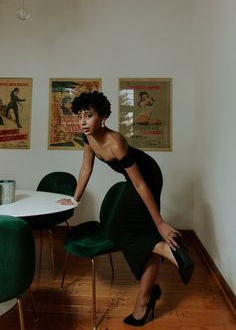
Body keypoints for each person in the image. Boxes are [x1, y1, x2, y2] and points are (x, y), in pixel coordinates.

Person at [58, 91, 194, 326]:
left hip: (147, 178)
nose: (82, 122)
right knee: (142, 235)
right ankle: (145, 299)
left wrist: (160, 222)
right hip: (136, 181)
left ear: (103, 117)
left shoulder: (115, 141)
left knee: (119, 227)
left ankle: (167, 250)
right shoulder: (87, 138)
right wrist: (74, 199)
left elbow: (140, 184)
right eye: (79, 116)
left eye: (88, 116)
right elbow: (85, 169)